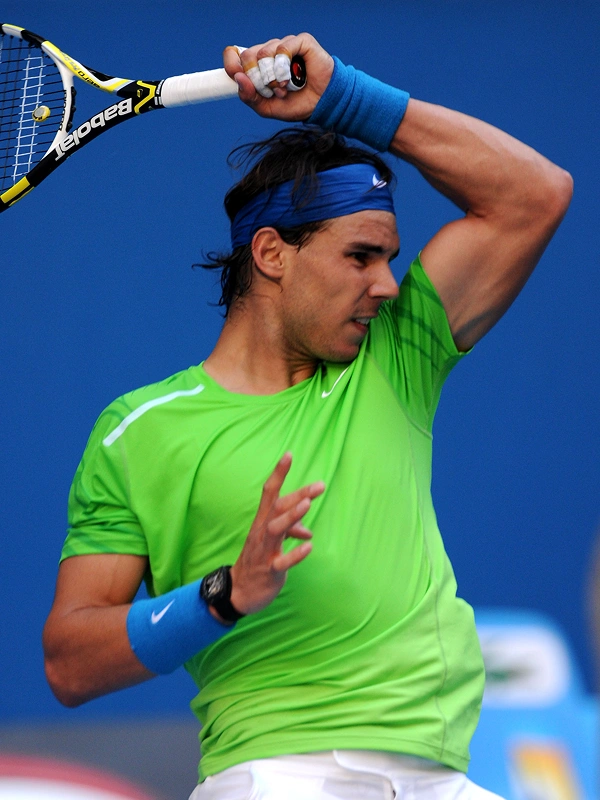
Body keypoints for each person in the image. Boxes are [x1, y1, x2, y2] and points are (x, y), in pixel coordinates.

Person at [43, 33, 572, 800]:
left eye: (391, 258)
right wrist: (224, 593)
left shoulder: (397, 355)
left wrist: (343, 98)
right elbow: (69, 661)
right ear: (272, 254)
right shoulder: (140, 430)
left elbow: (536, 192)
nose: (388, 286)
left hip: (442, 777)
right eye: (361, 256)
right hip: (282, 772)